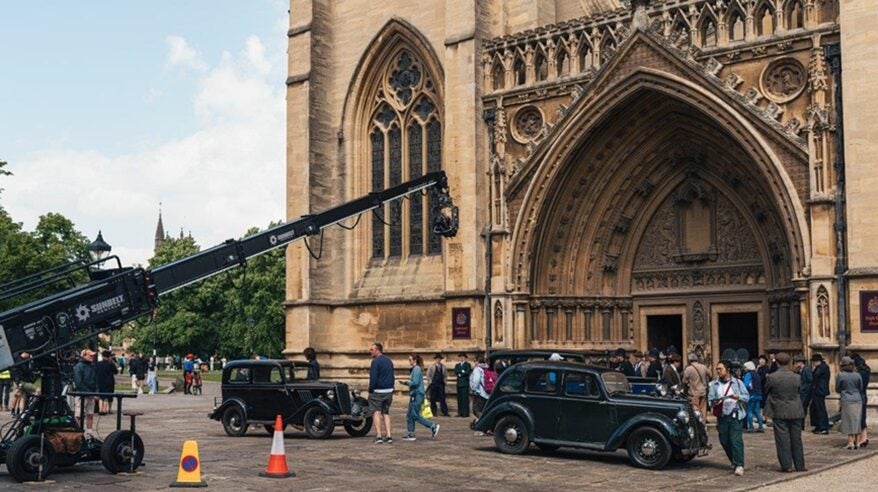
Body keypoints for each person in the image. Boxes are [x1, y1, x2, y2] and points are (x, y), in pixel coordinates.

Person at [764, 352, 806, 472]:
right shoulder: (797, 377)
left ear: (776, 363)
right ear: (789, 362)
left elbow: (766, 390)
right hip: (795, 409)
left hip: (779, 409)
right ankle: (800, 465)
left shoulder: (772, 377)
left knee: (782, 438)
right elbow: (800, 390)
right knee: (796, 438)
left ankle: (787, 465)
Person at [709, 360, 749, 476]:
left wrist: (738, 396)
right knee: (724, 440)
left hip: (735, 414)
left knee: (736, 440)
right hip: (722, 416)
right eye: (717, 369)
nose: (718, 371)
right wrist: (715, 402)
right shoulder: (714, 384)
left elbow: (746, 397)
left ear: (727, 370)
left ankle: (739, 464)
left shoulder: (737, 382)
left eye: (720, 369)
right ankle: (734, 460)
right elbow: (710, 399)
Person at [400, 354, 439, 441]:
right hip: (414, 394)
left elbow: (415, 382)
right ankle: (411, 433)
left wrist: (406, 383)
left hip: (417, 394)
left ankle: (433, 426)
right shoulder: (415, 369)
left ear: (414, 360)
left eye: (410, 360)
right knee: (409, 415)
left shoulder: (416, 369)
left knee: (415, 415)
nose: (409, 361)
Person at [368, 342, 395, 444]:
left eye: (372, 350)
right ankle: (389, 436)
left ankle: (379, 436)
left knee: (376, 412)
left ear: (377, 350)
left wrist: (371, 390)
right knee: (386, 413)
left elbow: (373, 378)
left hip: (378, 391)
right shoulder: (389, 361)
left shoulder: (375, 362)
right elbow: (392, 375)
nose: (370, 352)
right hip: (388, 390)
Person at [836, 356, 864, 449]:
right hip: (857, 399)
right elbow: (861, 387)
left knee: (848, 421)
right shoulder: (857, 375)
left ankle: (850, 442)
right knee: (857, 420)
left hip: (847, 399)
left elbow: (838, 388)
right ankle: (857, 442)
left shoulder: (841, 375)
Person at [73, 349, 99, 435]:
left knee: (90, 414)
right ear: (84, 356)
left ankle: (89, 433)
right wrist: (90, 394)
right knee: (78, 415)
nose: (92, 357)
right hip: (81, 395)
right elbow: (78, 383)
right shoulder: (79, 367)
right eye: (90, 355)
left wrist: (96, 392)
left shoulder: (92, 367)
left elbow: (95, 381)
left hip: (90, 394)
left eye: (92, 356)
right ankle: (77, 432)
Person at [682, 352, 710, 424]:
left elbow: (684, 381)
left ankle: (697, 424)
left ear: (689, 360)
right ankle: (703, 424)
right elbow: (709, 374)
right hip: (703, 391)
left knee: (695, 408)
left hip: (694, 392)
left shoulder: (689, 369)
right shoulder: (703, 367)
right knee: (703, 409)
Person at [469, 355, 491, 433]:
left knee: (476, 410)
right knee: (484, 410)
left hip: (480, 393)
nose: (474, 363)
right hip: (488, 392)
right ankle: (486, 425)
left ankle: (486, 425)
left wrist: (473, 389)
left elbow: (476, 380)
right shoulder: (487, 368)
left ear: (477, 361)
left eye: (475, 361)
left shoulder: (477, 369)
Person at [853, 354, 870, 447]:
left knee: (860, 418)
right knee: (862, 417)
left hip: (859, 396)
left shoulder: (860, 374)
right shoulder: (866, 371)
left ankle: (860, 439)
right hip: (864, 395)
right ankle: (864, 438)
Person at [810, 353, 830, 434]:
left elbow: (815, 376)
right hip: (818, 390)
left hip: (819, 391)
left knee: (820, 409)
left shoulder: (821, 367)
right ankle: (818, 426)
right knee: (816, 408)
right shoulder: (822, 367)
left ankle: (823, 427)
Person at [743, 361, 764, 432]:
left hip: (751, 395)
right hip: (758, 394)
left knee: (749, 411)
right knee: (757, 411)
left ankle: (751, 427)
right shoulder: (757, 374)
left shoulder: (748, 374)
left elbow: (746, 385)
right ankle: (761, 426)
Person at [95, 350, 118, 414]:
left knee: (100, 396)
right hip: (109, 382)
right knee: (108, 396)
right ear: (109, 356)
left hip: (100, 381)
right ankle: (108, 409)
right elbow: (116, 372)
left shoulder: (98, 363)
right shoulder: (111, 364)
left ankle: (100, 409)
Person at [426, 353, 450, 417]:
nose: (438, 360)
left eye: (439, 359)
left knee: (442, 398)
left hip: (441, 384)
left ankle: (445, 412)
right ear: (435, 359)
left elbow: (445, 375)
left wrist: (445, 382)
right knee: (433, 398)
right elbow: (428, 375)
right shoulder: (432, 366)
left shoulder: (443, 367)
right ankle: (434, 412)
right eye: (437, 359)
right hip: (434, 384)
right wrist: (430, 381)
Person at [794, 354, 813, 424]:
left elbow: (810, 381)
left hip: (805, 393)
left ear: (801, 362)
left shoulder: (806, 369)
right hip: (802, 392)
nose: (795, 364)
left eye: (796, 362)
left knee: (802, 408)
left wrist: (803, 388)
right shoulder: (800, 370)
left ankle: (801, 423)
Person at [454, 353, 472, 417]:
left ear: (465, 358)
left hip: (465, 384)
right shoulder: (457, 365)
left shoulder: (467, 364)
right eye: (460, 357)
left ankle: (465, 412)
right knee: (460, 399)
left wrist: (461, 373)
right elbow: (456, 371)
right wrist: (462, 372)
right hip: (459, 383)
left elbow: (467, 372)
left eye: (463, 357)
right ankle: (460, 412)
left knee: (465, 399)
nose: (461, 358)